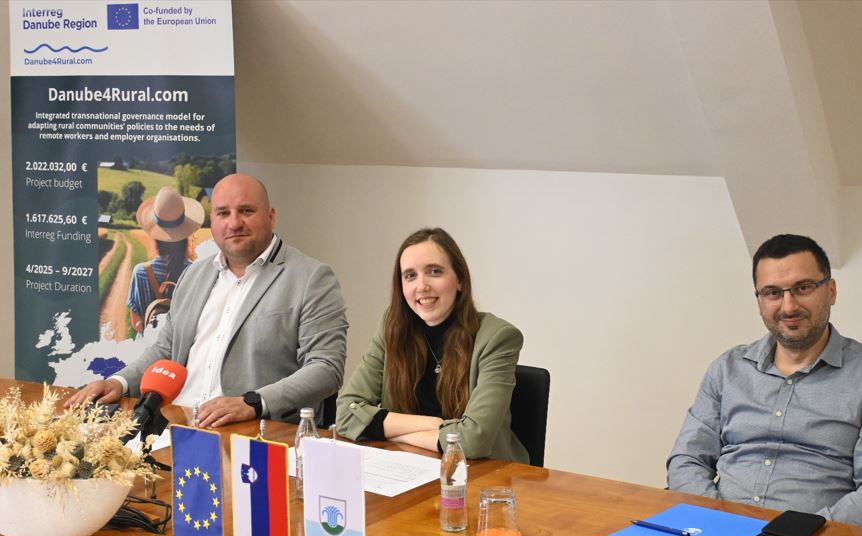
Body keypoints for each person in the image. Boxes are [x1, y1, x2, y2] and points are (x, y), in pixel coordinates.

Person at [667, 234, 862, 530]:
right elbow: (686, 460)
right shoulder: (726, 369)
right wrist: (717, 521)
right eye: (772, 292)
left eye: (803, 288)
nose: (788, 306)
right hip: (715, 533)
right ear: (759, 301)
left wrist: (795, 534)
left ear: (831, 291)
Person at [66, 173, 348, 427]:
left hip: (252, 433)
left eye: (246, 211)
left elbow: (326, 368)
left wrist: (252, 402)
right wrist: (119, 382)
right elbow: (166, 349)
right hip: (175, 422)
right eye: (223, 213)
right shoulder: (194, 275)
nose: (234, 223)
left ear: (271, 216)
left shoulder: (311, 278)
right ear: (212, 221)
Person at [336, 227, 528, 462]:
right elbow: (345, 413)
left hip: (482, 472)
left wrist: (393, 433)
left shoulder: (497, 337)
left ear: (460, 279)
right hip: (410, 466)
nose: (422, 286)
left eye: (434, 271)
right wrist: (431, 424)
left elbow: (472, 441)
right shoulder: (392, 326)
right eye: (410, 276)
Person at [128, 186, 201, 333]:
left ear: (155, 235)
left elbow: (136, 323)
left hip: (148, 346)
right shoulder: (195, 273)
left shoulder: (140, 272)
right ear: (185, 234)